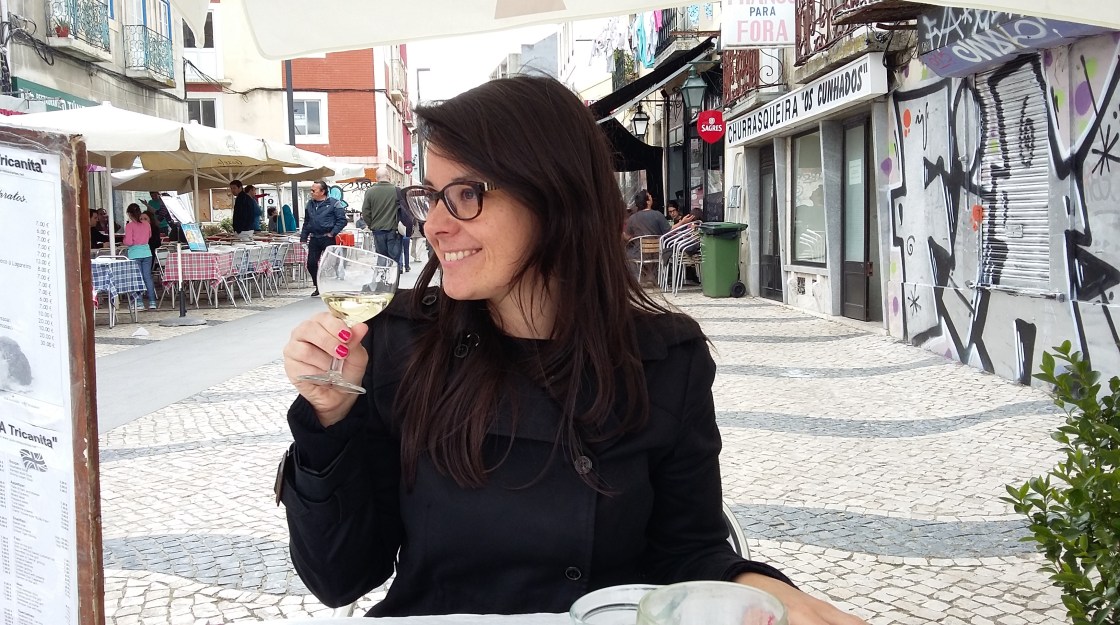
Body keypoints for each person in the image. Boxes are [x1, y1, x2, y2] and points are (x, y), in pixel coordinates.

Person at [277, 76, 868, 625]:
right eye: (430, 196)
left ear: (554, 196)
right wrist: (329, 420)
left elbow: (689, 551)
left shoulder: (665, 358)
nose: (433, 225)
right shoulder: (402, 341)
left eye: (464, 194)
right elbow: (340, 576)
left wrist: (771, 592)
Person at [299, 180, 347, 297]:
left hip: (327, 238)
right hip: (314, 238)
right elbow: (307, 222)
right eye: (311, 190)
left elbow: (342, 220)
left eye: (313, 190)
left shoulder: (334, 203)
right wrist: (303, 237)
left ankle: (332, 285)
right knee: (311, 264)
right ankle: (318, 286)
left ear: (322, 192)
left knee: (330, 264)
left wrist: (332, 233)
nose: (311, 192)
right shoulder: (310, 204)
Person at [361, 167, 402, 261]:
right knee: (394, 259)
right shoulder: (397, 191)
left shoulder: (370, 192)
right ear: (389, 177)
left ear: (376, 178)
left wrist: (371, 225)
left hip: (378, 230)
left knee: (382, 258)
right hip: (393, 230)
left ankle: (382, 270)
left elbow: (365, 212)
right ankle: (394, 270)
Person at [122, 203, 158, 310]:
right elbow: (149, 236)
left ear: (129, 214)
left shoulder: (129, 226)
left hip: (134, 254)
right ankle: (152, 302)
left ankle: (139, 302)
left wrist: (124, 240)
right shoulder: (147, 224)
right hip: (147, 253)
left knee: (137, 278)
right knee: (148, 277)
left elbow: (129, 242)